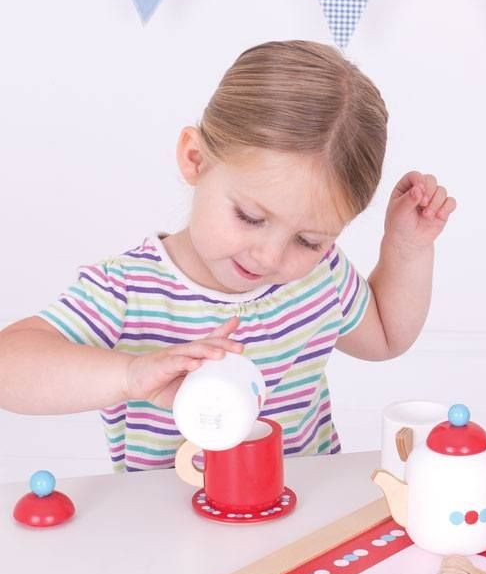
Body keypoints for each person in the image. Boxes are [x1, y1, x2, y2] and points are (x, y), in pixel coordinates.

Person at [0, 40, 456, 470]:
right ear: (195, 159)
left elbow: (386, 337)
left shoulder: (321, 276)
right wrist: (129, 375)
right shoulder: (128, 291)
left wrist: (407, 248)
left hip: (307, 512)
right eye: (250, 217)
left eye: (308, 240)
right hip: (171, 518)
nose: (269, 257)